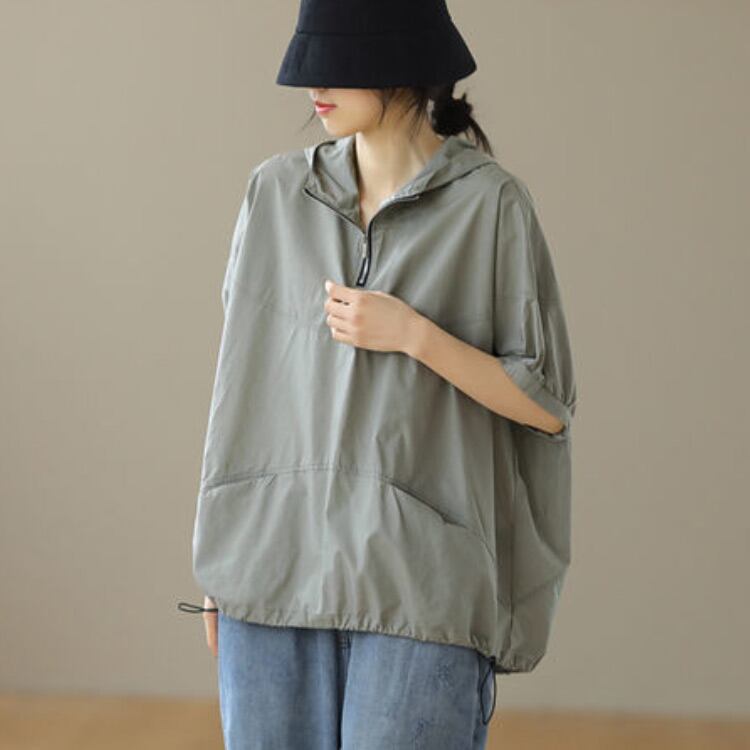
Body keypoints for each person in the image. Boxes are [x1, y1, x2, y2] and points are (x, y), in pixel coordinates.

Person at [178, 0, 578, 747]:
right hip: (272, 569)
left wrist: (415, 335)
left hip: (419, 584)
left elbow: (546, 404)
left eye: (337, 63)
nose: (314, 87)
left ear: (402, 62)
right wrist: (224, 558)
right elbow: (244, 388)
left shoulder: (491, 205)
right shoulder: (275, 194)